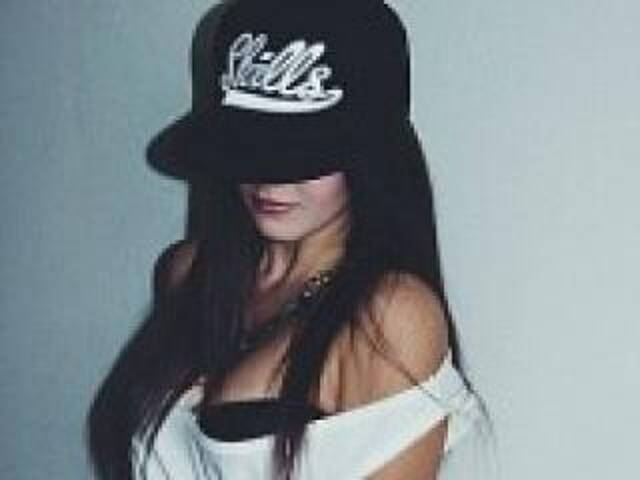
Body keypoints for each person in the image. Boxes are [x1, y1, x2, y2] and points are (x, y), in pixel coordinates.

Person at [86, 0, 496, 478]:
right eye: (247, 147)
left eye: (303, 154)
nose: (270, 179)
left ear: (371, 158)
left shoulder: (389, 315)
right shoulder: (189, 272)